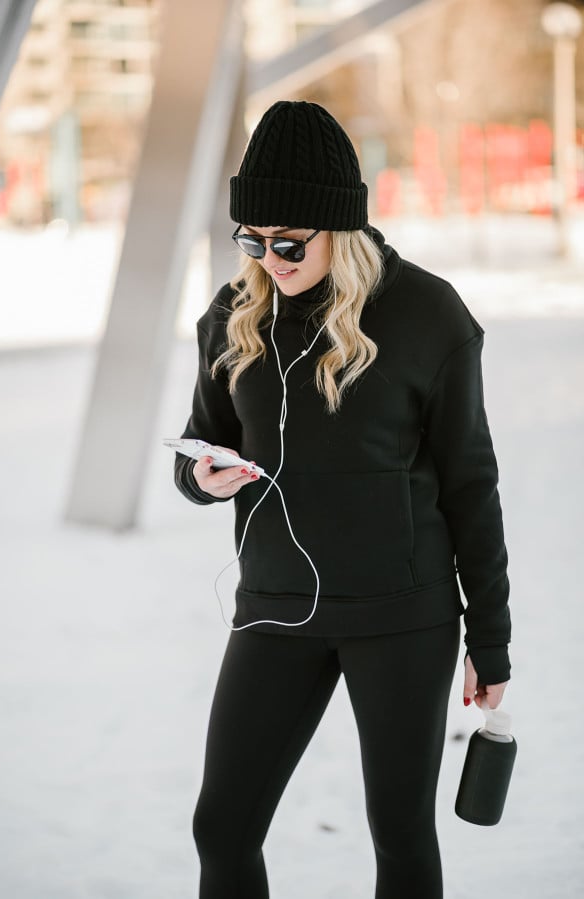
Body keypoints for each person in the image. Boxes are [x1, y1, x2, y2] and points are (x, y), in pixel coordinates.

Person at [174, 100, 511, 899]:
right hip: (275, 607)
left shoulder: (428, 316)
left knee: (399, 834)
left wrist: (490, 640)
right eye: (251, 239)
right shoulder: (234, 315)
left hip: (403, 615)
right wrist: (199, 477)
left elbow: (472, 484)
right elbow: (201, 440)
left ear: (339, 228)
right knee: (221, 827)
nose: (269, 259)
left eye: (288, 243)